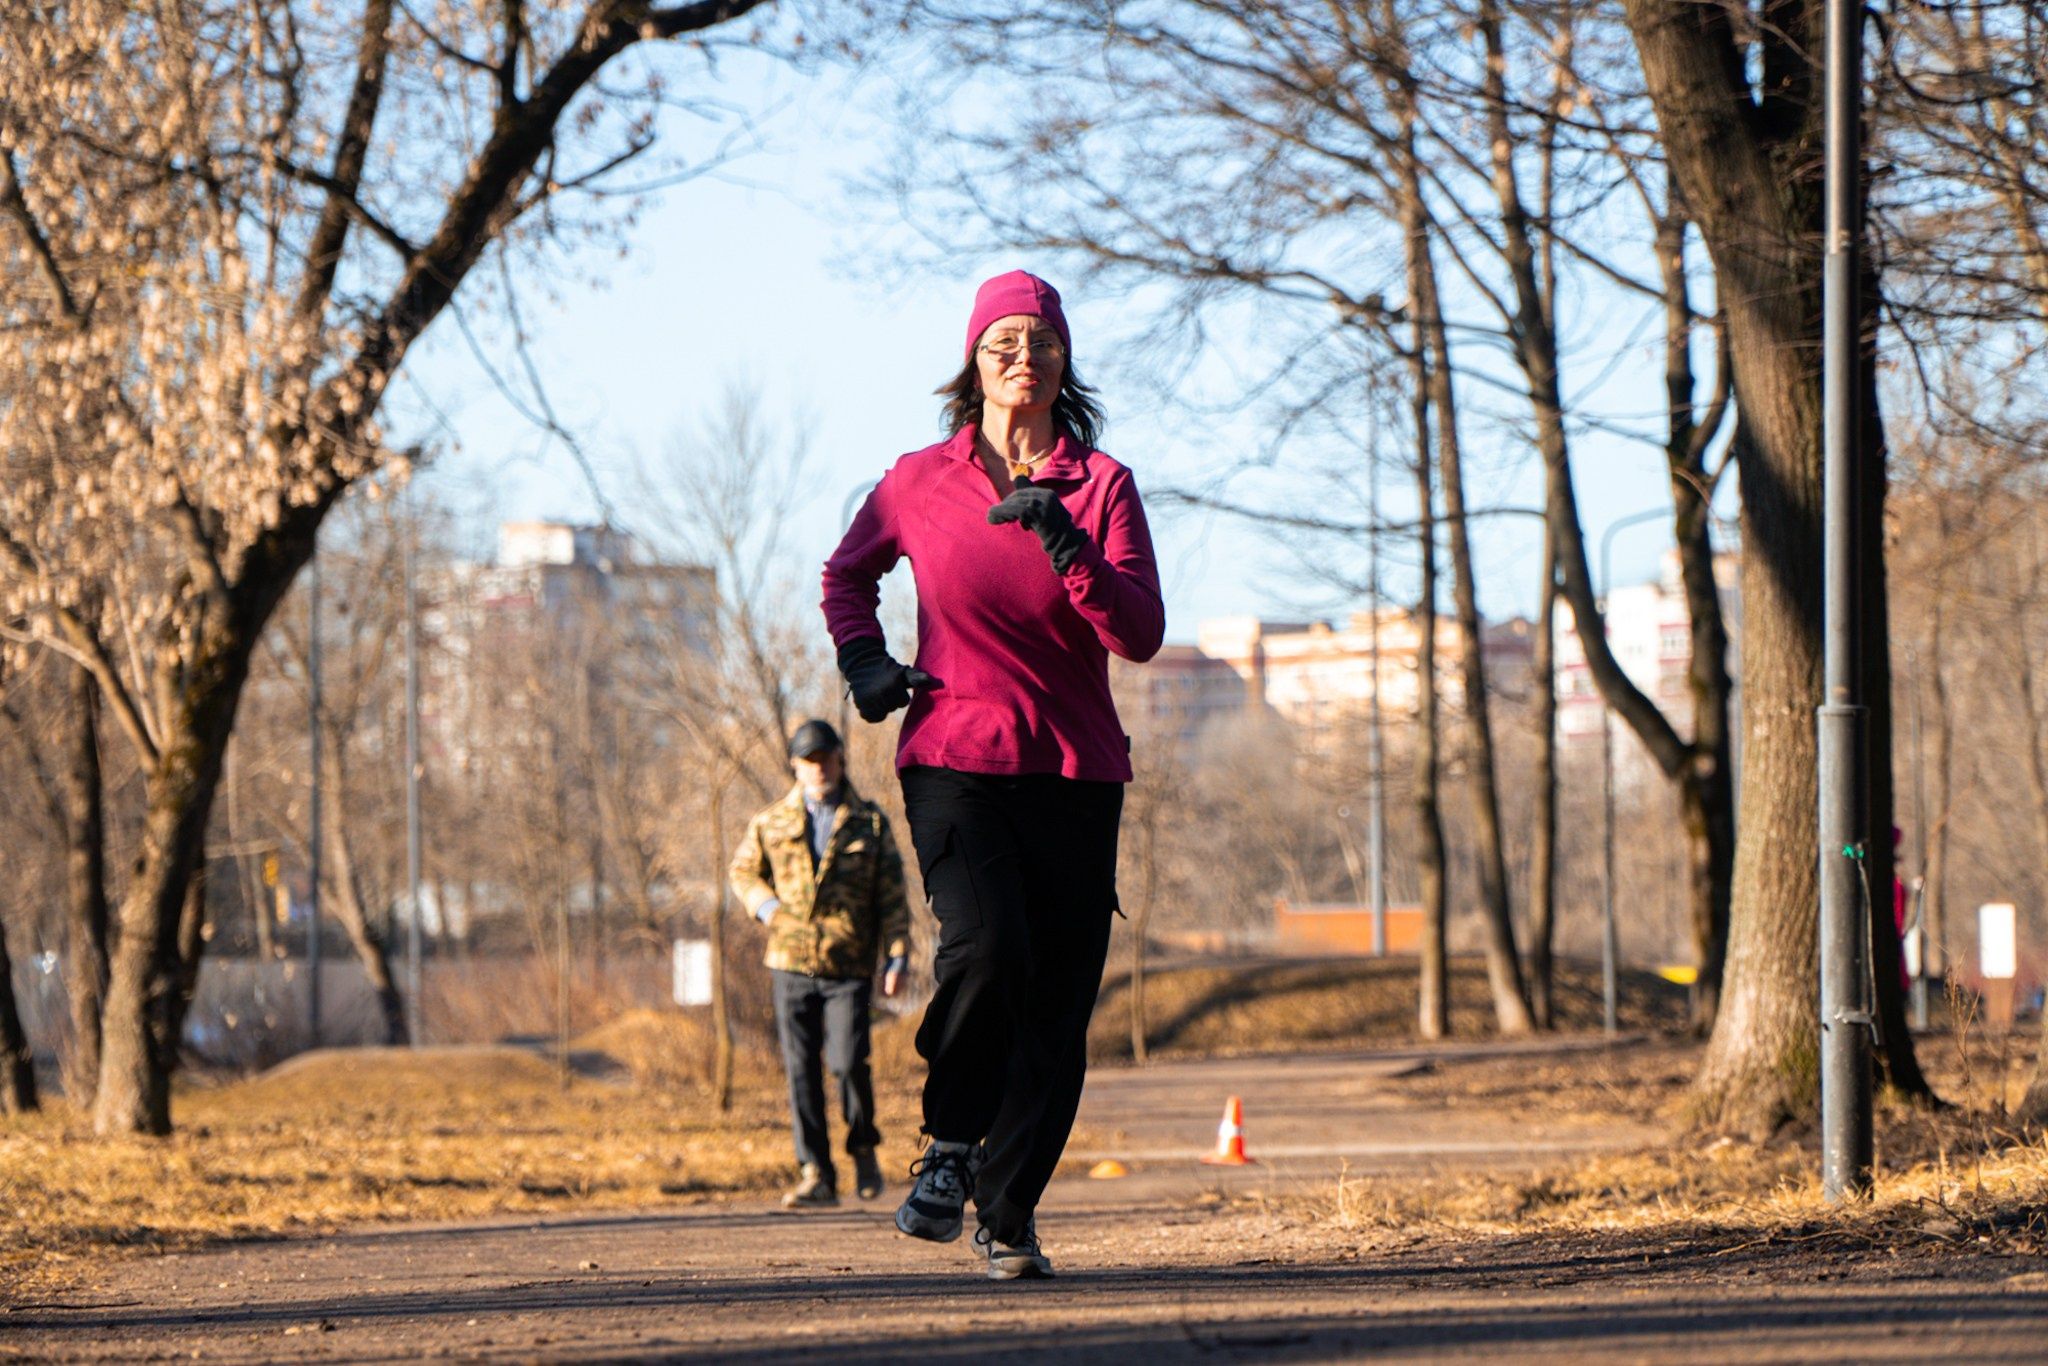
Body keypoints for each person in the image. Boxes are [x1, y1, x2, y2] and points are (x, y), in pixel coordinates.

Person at [820, 269, 1165, 1279]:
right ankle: (948, 1143)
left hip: (1072, 765)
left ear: (1063, 362)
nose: (1022, 356)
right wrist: (864, 661)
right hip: (953, 754)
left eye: (1041, 341)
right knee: (984, 944)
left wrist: (1065, 541)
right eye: (1001, 341)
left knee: (1056, 1006)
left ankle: (1006, 1213)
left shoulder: (1099, 486)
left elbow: (1138, 632)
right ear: (972, 363)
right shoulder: (916, 481)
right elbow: (848, 574)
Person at [728, 718, 910, 1209]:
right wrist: (768, 909)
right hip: (788, 962)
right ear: (795, 765)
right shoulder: (771, 823)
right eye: (809, 761)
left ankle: (864, 1150)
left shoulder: (868, 823)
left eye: (826, 758)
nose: (819, 768)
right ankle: (816, 1172)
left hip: (848, 965)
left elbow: (892, 897)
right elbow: (742, 871)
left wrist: (897, 955)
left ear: (839, 759)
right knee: (800, 1070)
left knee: (849, 1064)